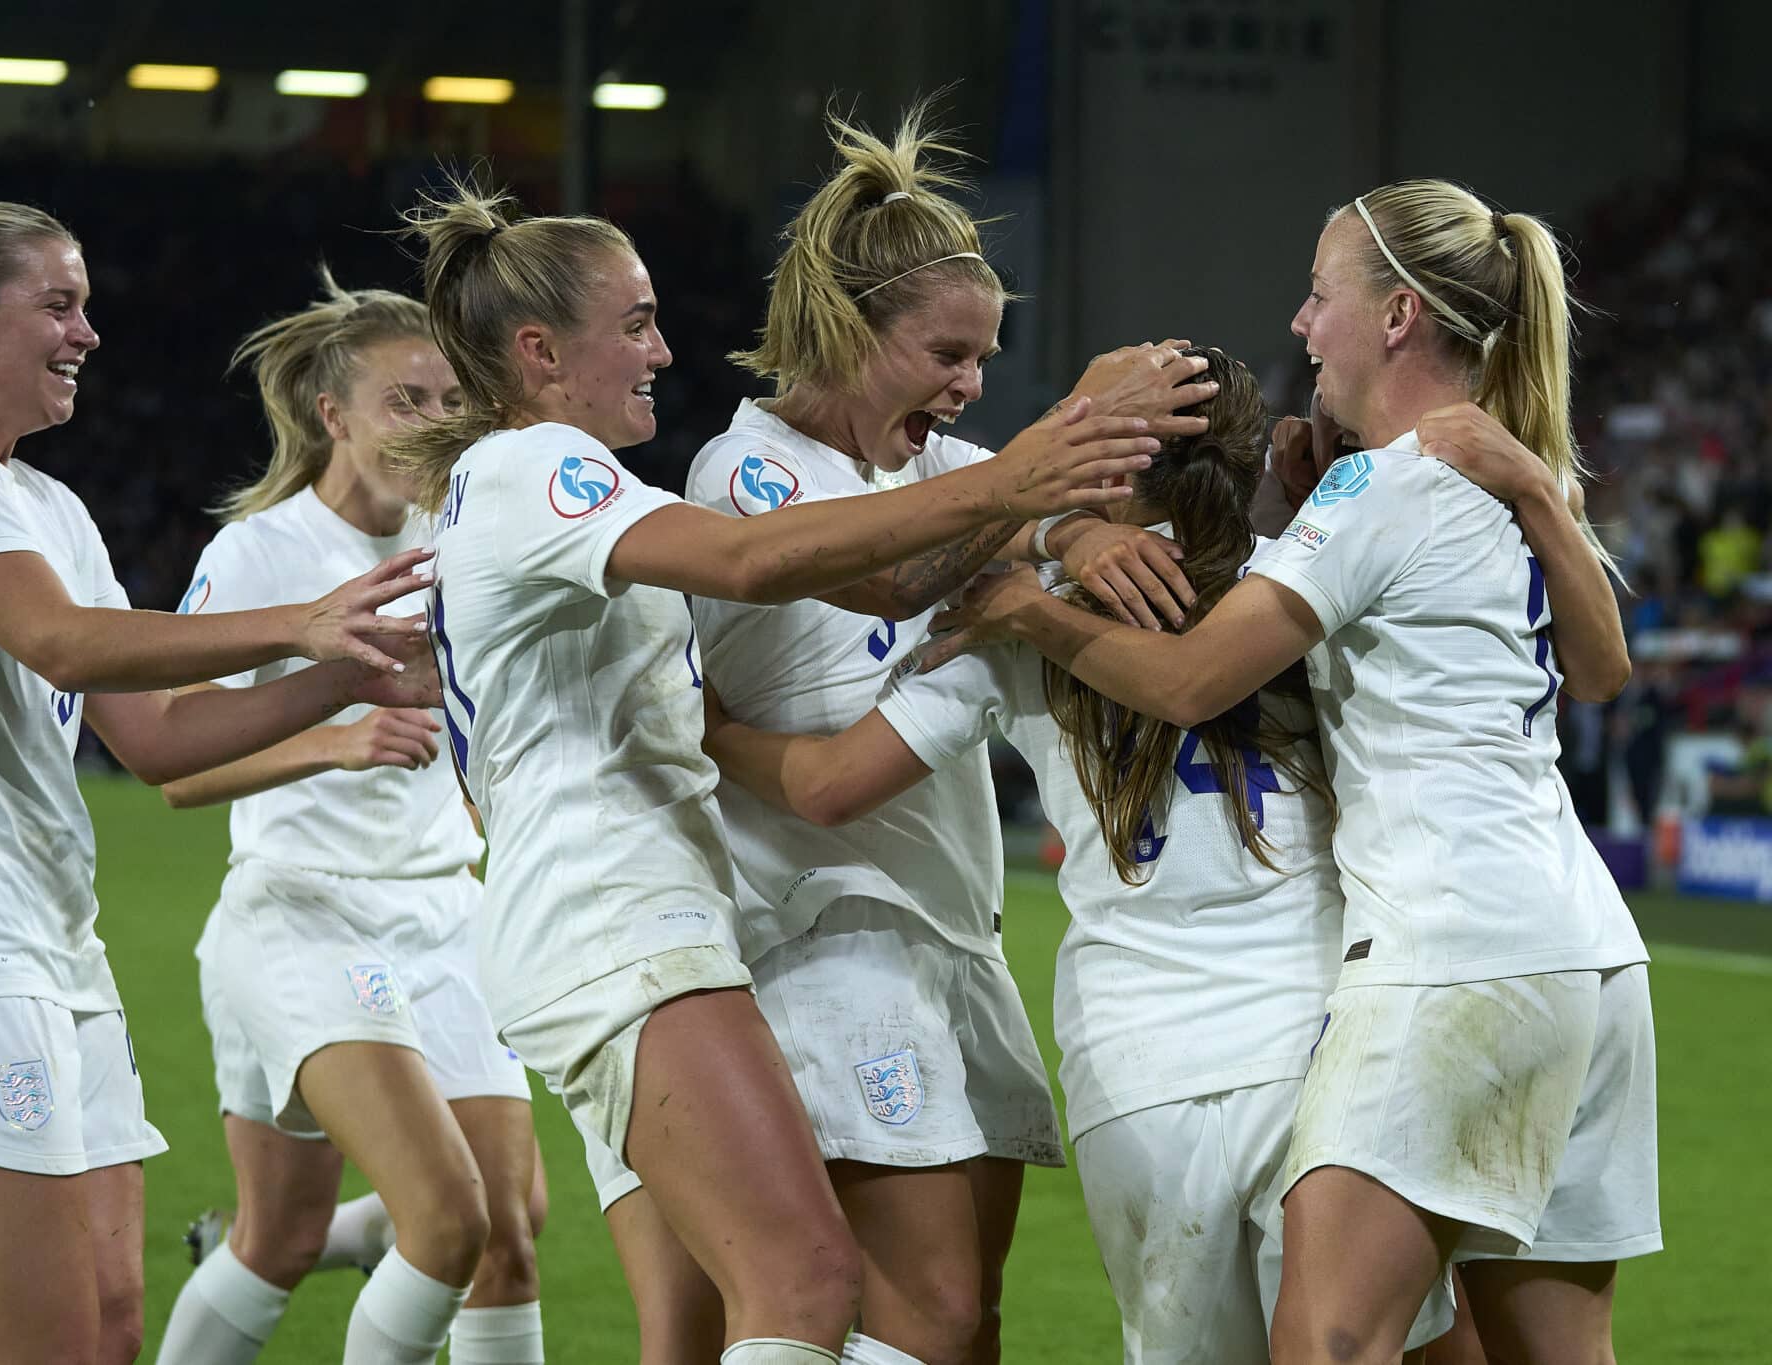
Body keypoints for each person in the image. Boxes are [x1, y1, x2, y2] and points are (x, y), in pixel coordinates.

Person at [387, 175, 1162, 1365]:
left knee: (761, 1309)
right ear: (538, 352)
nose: (663, 348)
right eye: (634, 324)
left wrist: (1049, 518)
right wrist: (1026, 489)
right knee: (809, 1288)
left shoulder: (533, 479)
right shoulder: (538, 463)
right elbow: (755, 564)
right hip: (621, 916)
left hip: (647, 910)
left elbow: (880, 571)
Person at [926, 181, 1658, 1365]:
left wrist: (1027, 602)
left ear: (1398, 317)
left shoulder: (1380, 485)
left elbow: (1185, 682)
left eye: (1322, 296)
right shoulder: (1486, 476)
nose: (1300, 323)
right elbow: (1604, 673)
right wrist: (1529, 485)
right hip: (1590, 956)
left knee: (1323, 1341)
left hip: (1454, 948)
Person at [704, 349, 1455, 1364]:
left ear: (1105, 466)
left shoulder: (1011, 606)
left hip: (1138, 1066)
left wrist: (695, 726)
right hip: (1323, 1045)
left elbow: (828, 785)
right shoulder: (1303, 578)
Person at [0, 204, 441, 1365]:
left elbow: (151, 741)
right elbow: (63, 643)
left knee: (106, 1329)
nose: (87, 332)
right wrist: (298, 622)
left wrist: (353, 674)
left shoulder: (46, 506)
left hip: (51, 953)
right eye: (57, 304)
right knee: (37, 1341)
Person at [650, 105, 1217, 1365]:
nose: (967, 385)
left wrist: (1076, 528)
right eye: (946, 353)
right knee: (920, 1314)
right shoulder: (745, 476)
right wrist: (1058, 449)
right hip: (821, 924)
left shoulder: (939, 466)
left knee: (965, 1329)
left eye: (985, 358)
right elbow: (896, 579)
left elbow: (1010, 517)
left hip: (952, 929)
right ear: (849, 331)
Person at [151, 272, 545, 1365]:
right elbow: (177, 764)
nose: (428, 422)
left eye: (443, 401)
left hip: (446, 916)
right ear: (334, 416)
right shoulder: (258, 555)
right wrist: (334, 737)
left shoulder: (459, 540)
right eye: (401, 401)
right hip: (306, 916)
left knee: (500, 1236)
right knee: (445, 1221)